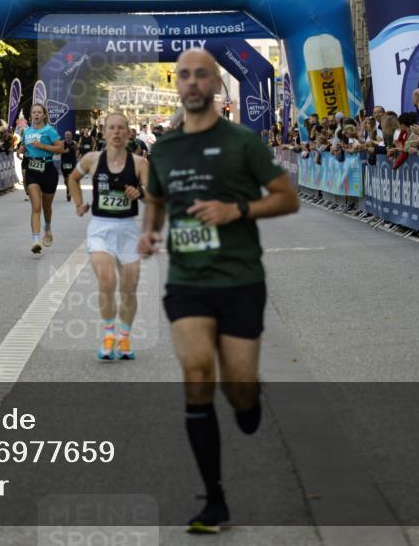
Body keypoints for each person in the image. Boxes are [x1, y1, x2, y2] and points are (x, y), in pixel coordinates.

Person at [137, 49, 299, 533]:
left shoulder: (242, 143)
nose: (190, 82)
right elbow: (157, 199)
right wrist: (150, 231)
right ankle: (215, 500)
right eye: (183, 75)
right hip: (188, 281)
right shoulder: (163, 149)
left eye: (199, 75)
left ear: (215, 85)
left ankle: (248, 402)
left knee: (239, 386)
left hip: (240, 278)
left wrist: (237, 211)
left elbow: (286, 197)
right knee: (196, 372)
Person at [68, 112, 149, 361]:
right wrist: (79, 203)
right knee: (106, 282)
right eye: (111, 128)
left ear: (128, 133)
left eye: (120, 128)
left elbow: (153, 195)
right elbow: (73, 177)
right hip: (101, 228)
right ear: (104, 133)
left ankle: (124, 336)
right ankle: (109, 334)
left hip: (128, 229)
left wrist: (139, 192)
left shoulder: (139, 164)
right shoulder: (93, 159)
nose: (115, 132)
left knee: (128, 290)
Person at [18, 103, 63, 253]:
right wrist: (21, 149)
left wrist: (42, 146)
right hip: (32, 170)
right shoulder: (27, 131)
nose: (36, 115)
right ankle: (36, 240)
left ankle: (48, 228)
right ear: (30, 115)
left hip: (48, 170)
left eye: (39, 112)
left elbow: (60, 148)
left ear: (44, 115)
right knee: (36, 207)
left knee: (46, 207)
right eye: (34, 112)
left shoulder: (49, 131)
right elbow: (24, 146)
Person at [60, 130, 78, 201]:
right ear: (64, 136)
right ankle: (68, 189)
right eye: (67, 135)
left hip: (72, 163)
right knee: (65, 181)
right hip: (64, 164)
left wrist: (77, 155)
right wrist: (64, 151)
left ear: (71, 136)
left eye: (69, 135)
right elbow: (58, 152)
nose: (68, 136)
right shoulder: (62, 143)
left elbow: (77, 150)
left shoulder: (74, 143)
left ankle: (69, 193)